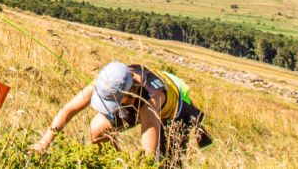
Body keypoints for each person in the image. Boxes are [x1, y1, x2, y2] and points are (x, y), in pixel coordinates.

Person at [31, 61, 212, 165]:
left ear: (127, 96)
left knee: (165, 165)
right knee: (97, 129)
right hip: (134, 99)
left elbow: (148, 156)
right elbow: (68, 110)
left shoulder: (150, 102)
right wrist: (43, 143)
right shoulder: (108, 80)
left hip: (175, 112)